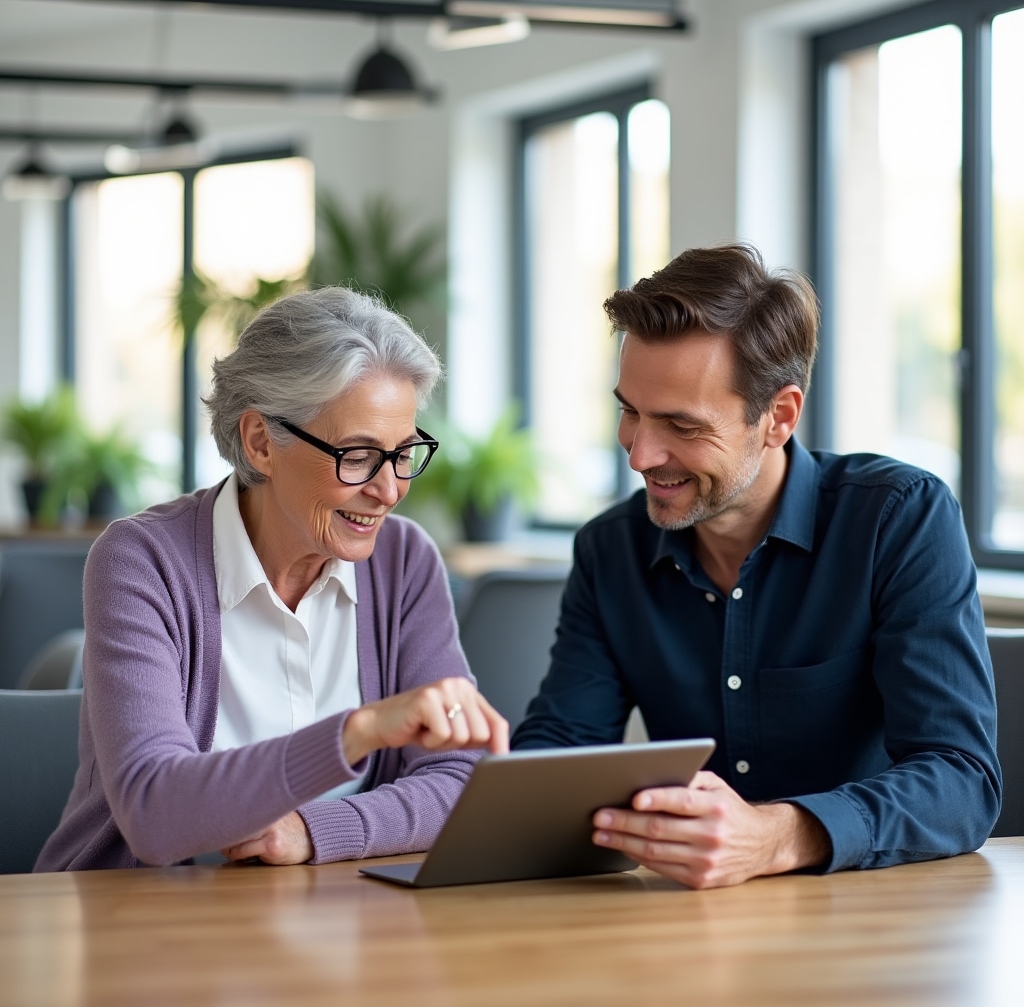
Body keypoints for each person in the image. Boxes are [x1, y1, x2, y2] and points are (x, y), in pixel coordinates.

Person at [512, 242, 1000, 889]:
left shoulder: (898, 519)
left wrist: (776, 836)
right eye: (630, 411)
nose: (639, 455)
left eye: (682, 426)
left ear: (778, 416)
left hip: (870, 914)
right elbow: (560, 753)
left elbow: (962, 781)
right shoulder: (610, 549)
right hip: (687, 916)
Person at [36, 286, 507, 872]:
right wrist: (358, 733)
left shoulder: (404, 561)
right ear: (261, 442)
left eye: (404, 453)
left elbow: (461, 776)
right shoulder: (143, 561)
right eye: (358, 456)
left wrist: (315, 830)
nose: (389, 490)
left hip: (332, 911)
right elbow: (154, 813)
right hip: (138, 911)